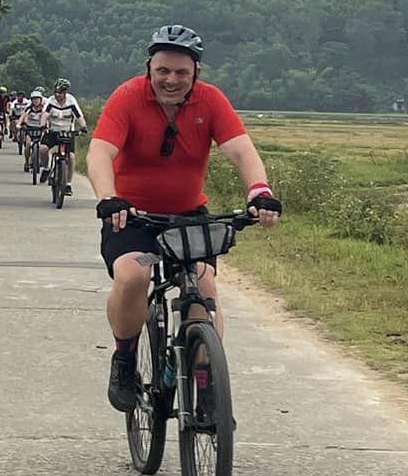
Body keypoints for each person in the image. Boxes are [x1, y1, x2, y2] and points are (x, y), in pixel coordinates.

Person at [86, 25, 281, 412]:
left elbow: (241, 150)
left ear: (196, 74)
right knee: (134, 276)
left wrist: (260, 190)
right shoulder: (127, 97)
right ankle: (124, 359)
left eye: (181, 73)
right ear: (149, 67)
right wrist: (109, 198)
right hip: (133, 217)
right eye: (163, 71)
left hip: (189, 218)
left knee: (204, 293)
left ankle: (206, 385)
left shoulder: (210, 101)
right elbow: (100, 153)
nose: (171, 80)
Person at [40, 77, 86, 178]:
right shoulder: (51, 101)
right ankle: (46, 168)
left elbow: (79, 116)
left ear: (65, 93)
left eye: (60, 92)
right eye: (56, 92)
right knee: (43, 149)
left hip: (67, 133)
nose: (57, 95)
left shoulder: (71, 101)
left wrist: (83, 127)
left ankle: (68, 183)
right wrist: (42, 125)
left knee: (71, 157)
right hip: (53, 131)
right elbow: (45, 115)